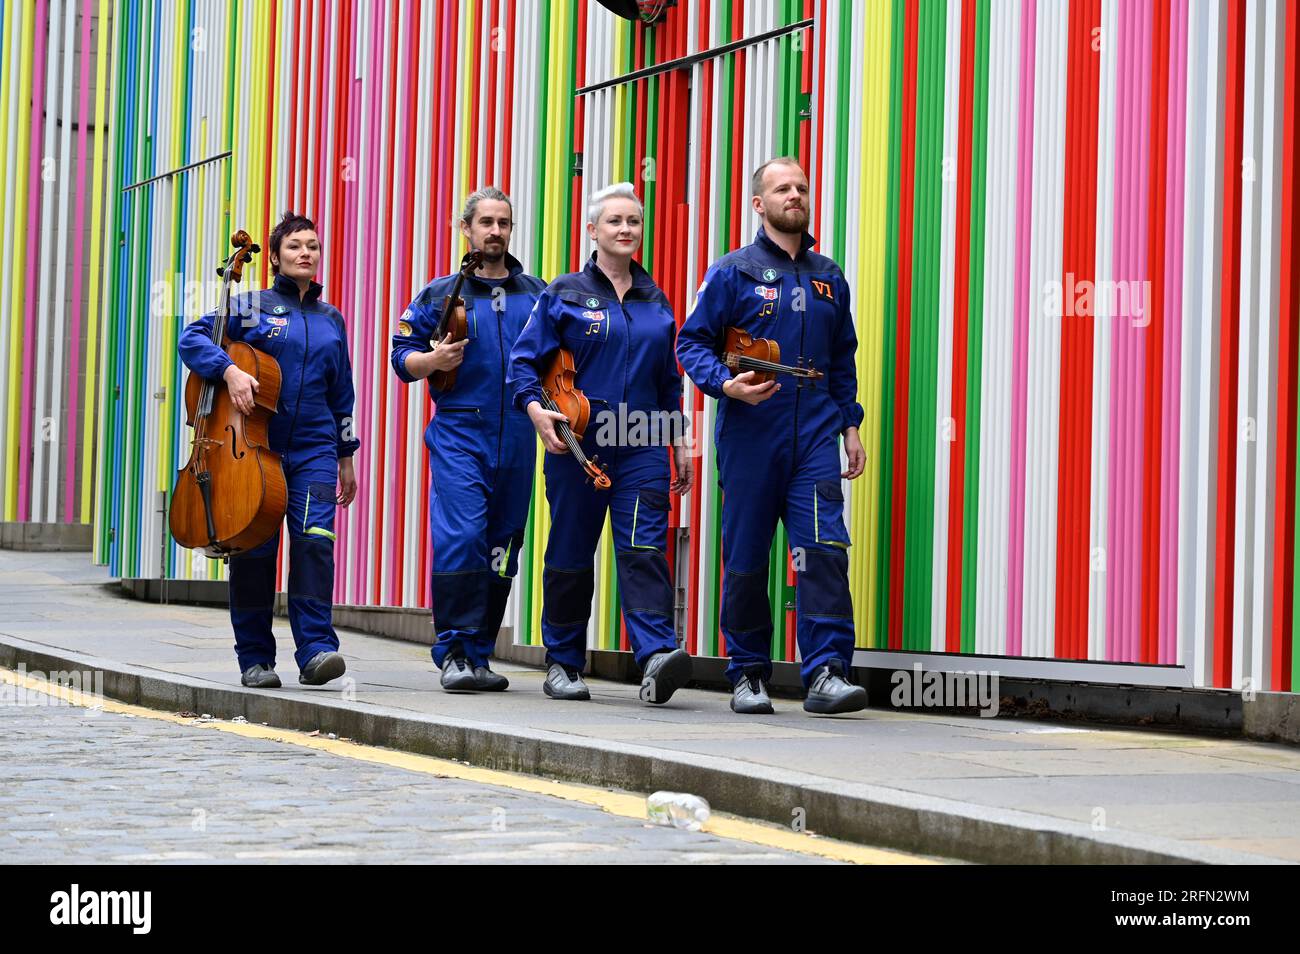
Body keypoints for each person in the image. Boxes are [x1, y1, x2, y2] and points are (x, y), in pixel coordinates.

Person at [676, 158, 868, 715]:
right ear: (759, 204)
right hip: (752, 435)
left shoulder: (829, 276)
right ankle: (748, 673)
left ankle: (827, 673)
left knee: (822, 550)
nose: (795, 195)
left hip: (814, 437)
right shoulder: (732, 271)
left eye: (802, 187)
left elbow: (841, 360)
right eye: (782, 188)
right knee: (747, 556)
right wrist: (725, 387)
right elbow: (693, 343)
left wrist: (850, 425)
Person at [509, 182, 693, 703]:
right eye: (615, 221)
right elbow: (523, 362)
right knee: (571, 551)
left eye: (633, 221)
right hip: (579, 442)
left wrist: (678, 440)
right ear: (593, 230)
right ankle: (563, 661)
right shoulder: (565, 292)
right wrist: (536, 412)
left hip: (642, 441)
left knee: (643, 547)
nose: (626, 230)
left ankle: (656, 655)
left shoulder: (655, 298)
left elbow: (667, 380)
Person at [178, 212, 359, 689]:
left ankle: (317, 649)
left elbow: (342, 392)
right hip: (257, 451)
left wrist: (346, 454)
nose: (306, 253)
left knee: (315, 544)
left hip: (316, 449)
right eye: (296, 246)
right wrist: (229, 371)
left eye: (314, 246)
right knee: (255, 553)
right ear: (275, 257)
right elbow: (192, 338)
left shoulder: (331, 318)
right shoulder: (253, 307)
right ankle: (255, 659)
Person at [391, 188, 546, 691]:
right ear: (467, 228)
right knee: (462, 538)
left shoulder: (536, 292)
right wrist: (430, 362)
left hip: (519, 436)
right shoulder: (441, 293)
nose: (495, 231)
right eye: (486, 222)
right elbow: (401, 356)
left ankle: (480, 655)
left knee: (503, 547)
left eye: (504, 222)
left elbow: (561, 360)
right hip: (460, 430)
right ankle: (454, 650)